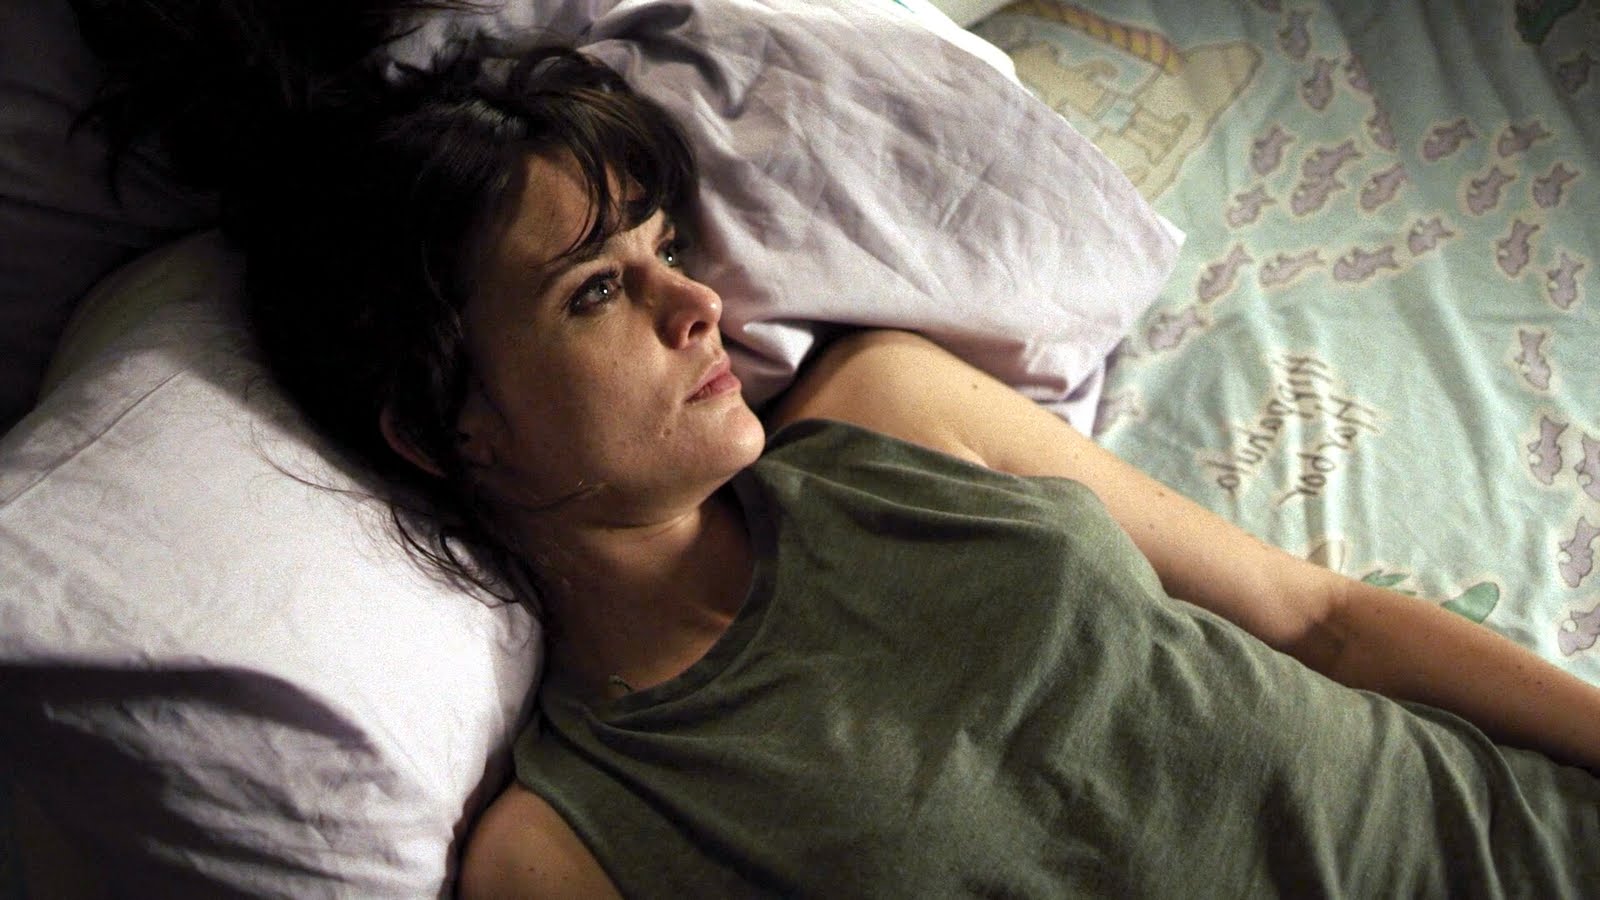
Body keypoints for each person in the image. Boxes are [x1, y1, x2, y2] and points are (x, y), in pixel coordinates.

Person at [97, 37, 1600, 897]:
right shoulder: (563, 851)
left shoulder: (893, 410)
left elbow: (1319, 620)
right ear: (447, 429)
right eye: (598, 290)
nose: (700, 304)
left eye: (664, 247)